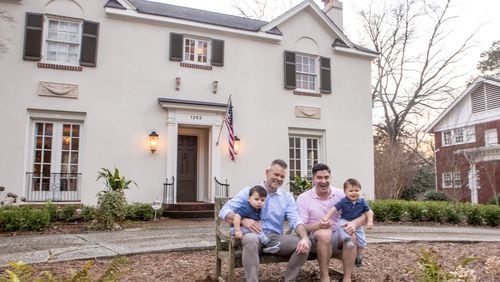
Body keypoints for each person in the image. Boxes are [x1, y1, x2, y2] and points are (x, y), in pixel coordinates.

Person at [219, 159, 311, 282]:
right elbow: (224, 211)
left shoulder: (286, 197)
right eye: (276, 174)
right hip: (251, 236)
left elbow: (296, 220)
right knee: (251, 239)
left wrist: (304, 237)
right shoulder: (249, 192)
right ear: (267, 173)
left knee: (305, 244)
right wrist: (244, 221)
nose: (279, 178)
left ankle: (289, 280)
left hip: (274, 239)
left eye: (282, 176)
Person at [296, 163, 367, 282]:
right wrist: (319, 225)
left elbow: (365, 215)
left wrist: (354, 224)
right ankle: (325, 277)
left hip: (337, 236)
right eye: (319, 177)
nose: (323, 181)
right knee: (325, 233)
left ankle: (347, 278)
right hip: (315, 240)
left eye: (326, 177)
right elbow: (301, 227)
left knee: (350, 233)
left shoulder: (341, 194)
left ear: (330, 178)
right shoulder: (304, 198)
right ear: (313, 179)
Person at [320, 178, 374, 267]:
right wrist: (326, 217)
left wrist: (370, 221)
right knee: (341, 227)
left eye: (357, 190)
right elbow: (334, 209)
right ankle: (347, 239)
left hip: (357, 223)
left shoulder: (362, 202)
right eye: (351, 191)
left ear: (360, 191)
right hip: (344, 220)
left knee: (362, 241)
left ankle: (359, 256)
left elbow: (368, 212)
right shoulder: (343, 201)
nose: (354, 193)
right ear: (345, 192)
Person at [230, 185, 281, 253]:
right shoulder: (247, 208)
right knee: (254, 229)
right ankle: (266, 243)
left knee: (257, 228)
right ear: (249, 198)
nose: (259, 202)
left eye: (262, 200)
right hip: (236, 230)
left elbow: (258, 220)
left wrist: (259, 226)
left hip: (246, 230)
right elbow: (236, 217)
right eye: (256, 199)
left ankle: (266, 246)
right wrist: (237, 231)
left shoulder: (258, 209)